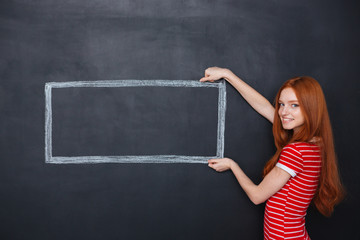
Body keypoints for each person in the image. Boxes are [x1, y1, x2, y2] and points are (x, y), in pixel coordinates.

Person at [200, 67, 344, 240]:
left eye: (294, 105)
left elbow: (257, 195)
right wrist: (227, 75)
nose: (284, 112)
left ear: (311, 108)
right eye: (282, 104)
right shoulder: (314, 143)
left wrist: (232, 165)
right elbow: (264, 107)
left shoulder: (295, 151)